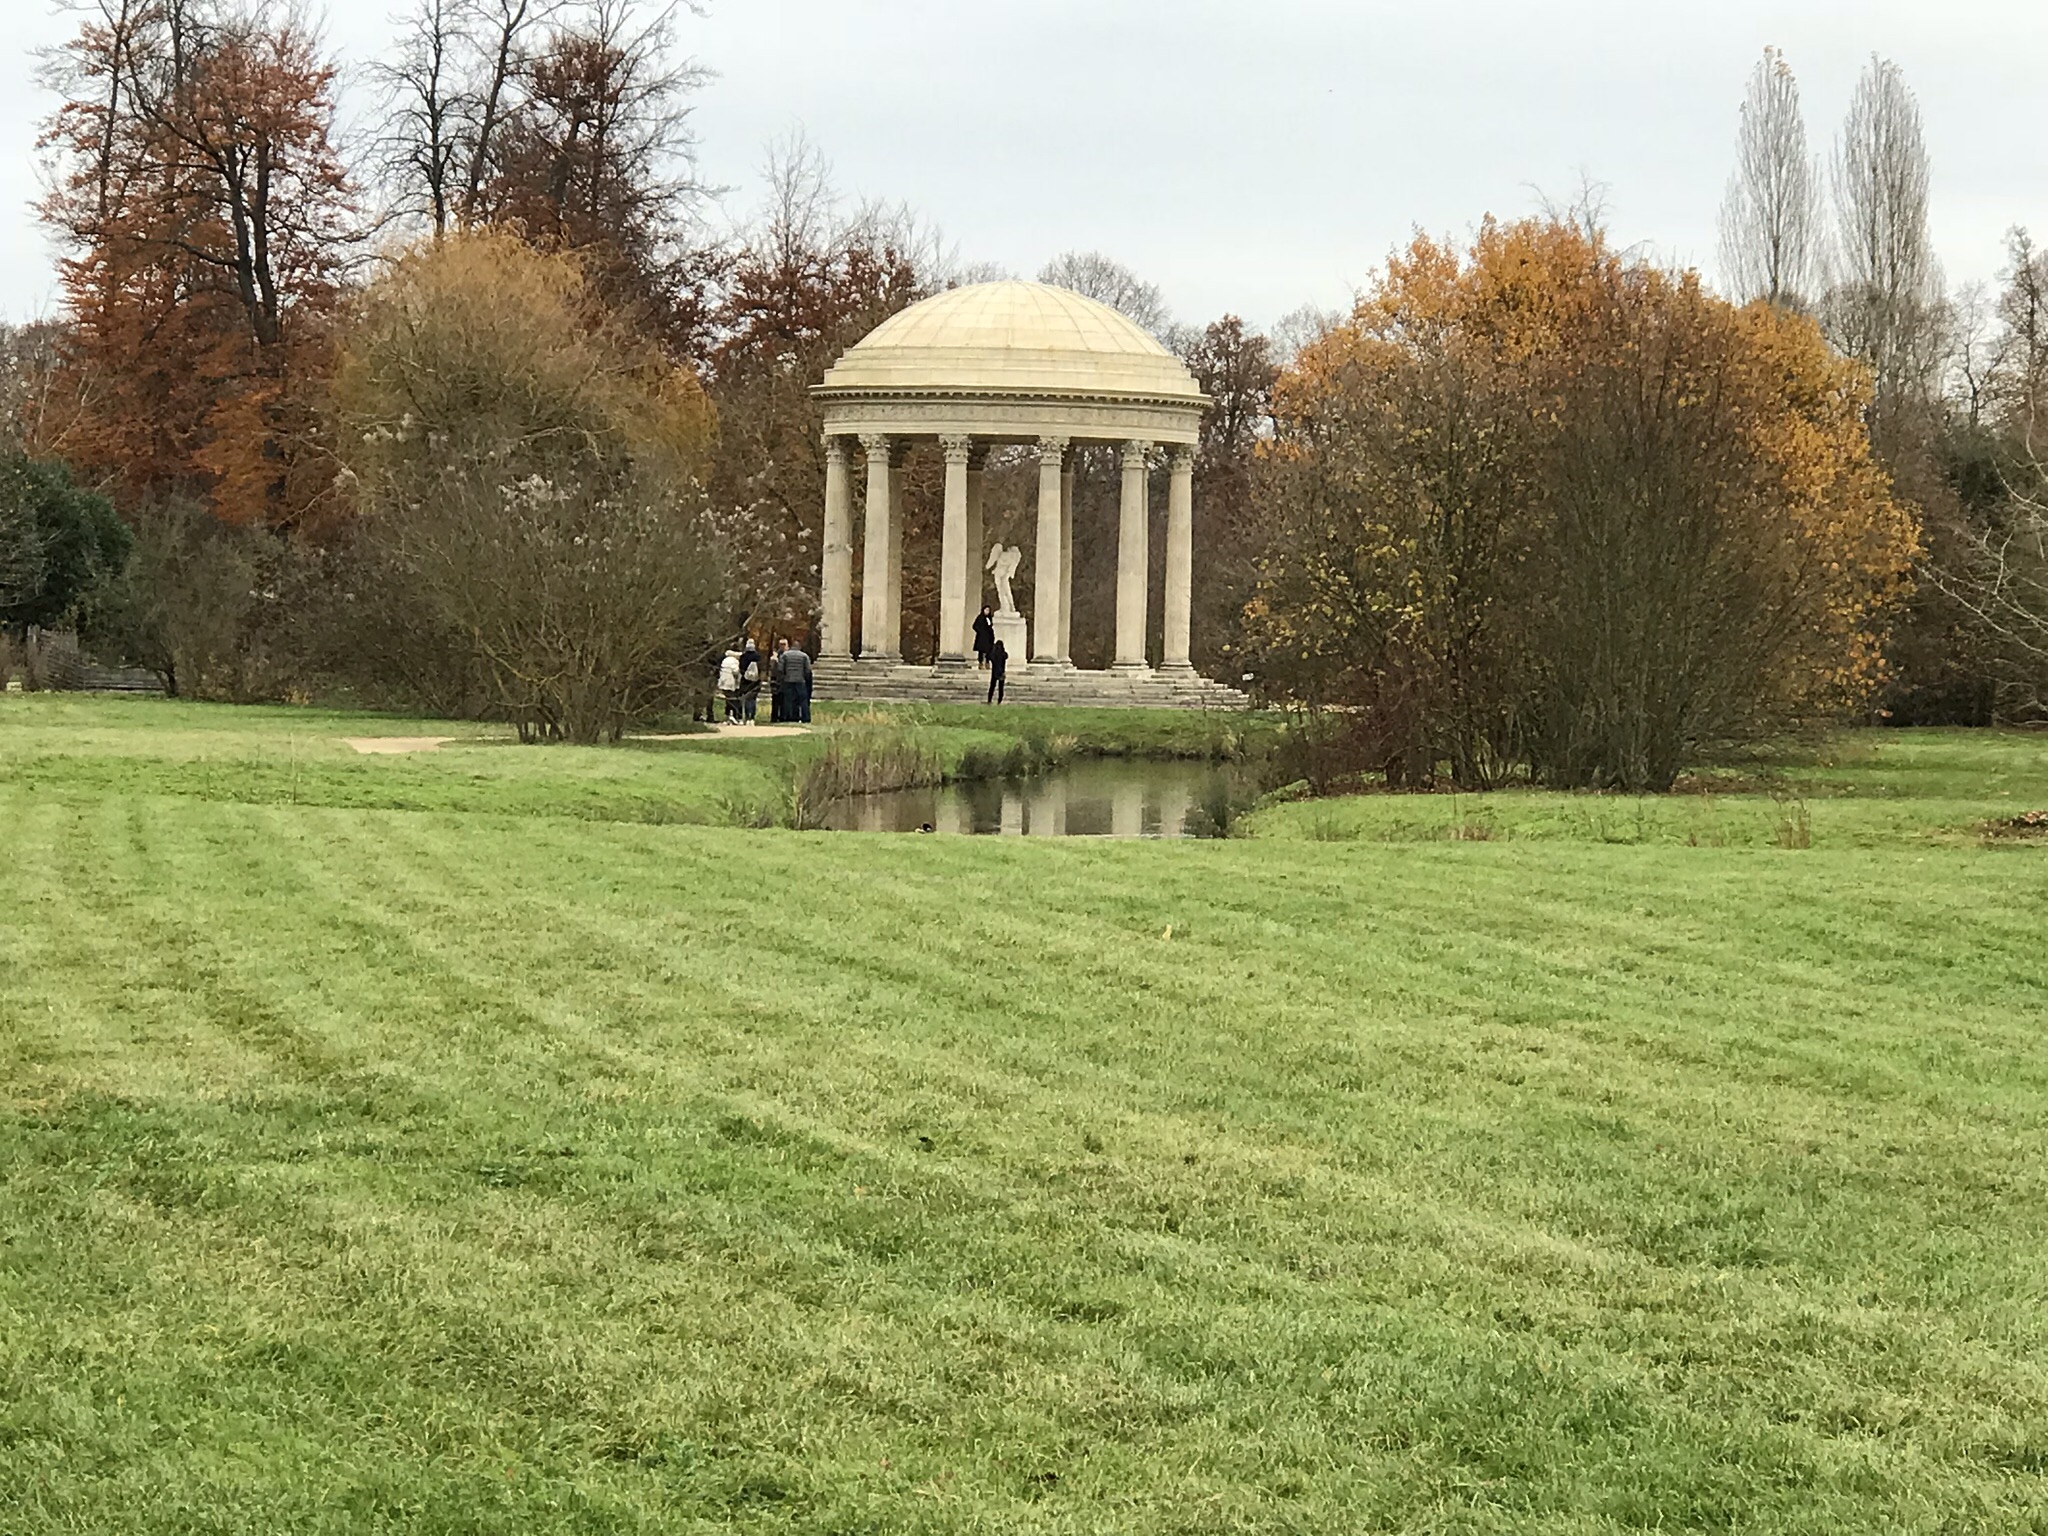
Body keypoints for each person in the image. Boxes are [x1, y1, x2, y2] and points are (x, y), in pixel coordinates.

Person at [782, 639, 813, 723]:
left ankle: (789, 717)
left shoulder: (785, 655)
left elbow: (780, 668)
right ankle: (805, 717)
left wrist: (785, 676)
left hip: (788, 680)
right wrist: (804, 677)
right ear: (799, 647)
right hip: (800, 680)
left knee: (789, 700)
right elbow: (808, 669)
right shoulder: (804, 656)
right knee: (803, 700)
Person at [738, 637, 763, 724]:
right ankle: (752, 717)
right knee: (753, 699)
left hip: (745, 680)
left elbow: (741, 668)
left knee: (745, 698)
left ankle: (745, 716)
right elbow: (761, 668)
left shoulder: (743, 657)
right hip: (755, 681)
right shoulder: (758, 656)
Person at [716, 644, 741, 724]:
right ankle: (732, 715)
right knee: (732, 700)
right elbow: (736, 671)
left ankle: (727, 716)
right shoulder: (734, 661)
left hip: (723, 682)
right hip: (731, 682)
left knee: (727, 700)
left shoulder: (725, 660)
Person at [769, 639, 790, 723]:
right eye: (781, 644)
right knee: (776, 700)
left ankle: (783, 716)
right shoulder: (775, 656)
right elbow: (772, 668)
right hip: (777, 680)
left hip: (784, 680)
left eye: (784, 644)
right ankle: (774, 717)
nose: (782, 646)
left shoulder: (788, 655)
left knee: (783, 700)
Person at [972, 605, 995, 669]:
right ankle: (980, 663)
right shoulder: (980, 618)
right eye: (986, 610)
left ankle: (987, 663)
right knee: (981, 651)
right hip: (981, 637)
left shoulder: (989, 618)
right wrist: (980, 631)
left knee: (988, 650)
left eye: (988, 610)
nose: (987, 612)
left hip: (988, 637)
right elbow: (975, 626)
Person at [986, 637, 1007, 704]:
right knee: (1001, 688)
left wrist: (987, 662)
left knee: (992, 687)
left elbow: (988, 656)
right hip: (1001, 672)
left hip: (994, 672)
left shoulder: (993, 654)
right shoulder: (1003, 654)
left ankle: (989, 700)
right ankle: (999, 701)